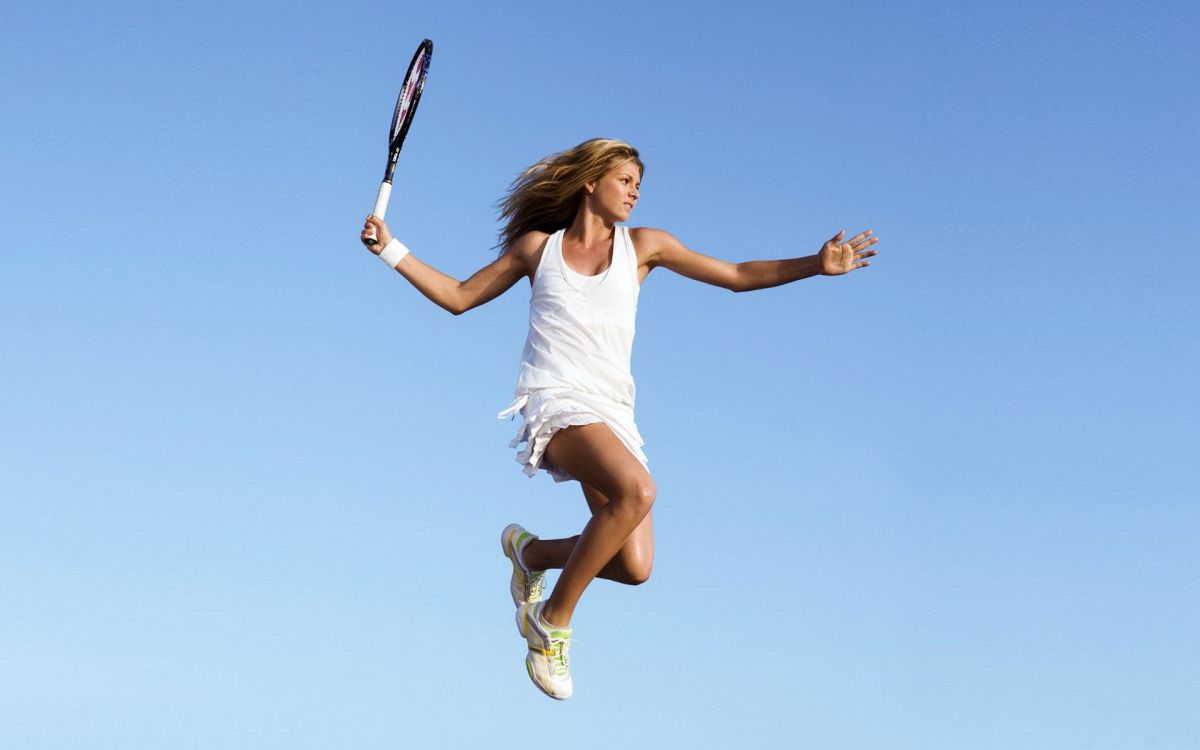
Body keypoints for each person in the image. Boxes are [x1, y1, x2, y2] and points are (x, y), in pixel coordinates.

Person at [359, 138, 878, 700]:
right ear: (590, 182)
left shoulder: (646, 246)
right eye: (625, 180)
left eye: (638, 184)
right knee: (639, 491)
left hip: (612, 414)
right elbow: (459, 296)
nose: (635, 191)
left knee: (634, 566)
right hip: (555, 403)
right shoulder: (538, 248)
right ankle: (550, 623)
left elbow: (734, 274)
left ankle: (530, 553)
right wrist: (392, 250)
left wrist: (815, 265)